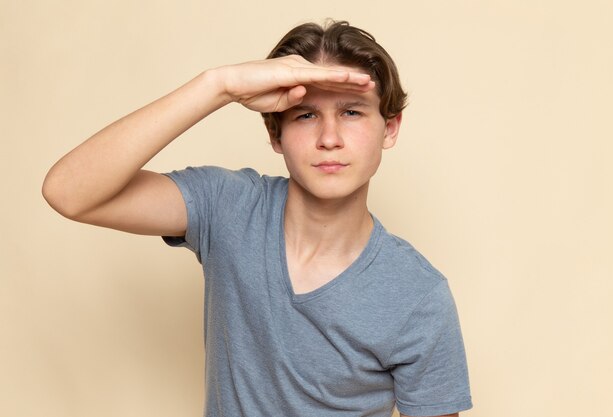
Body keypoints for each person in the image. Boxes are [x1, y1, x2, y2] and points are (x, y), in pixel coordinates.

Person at [43, 20, 472, 417]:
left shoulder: (419, 296)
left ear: (390, 129)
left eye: (352, 112)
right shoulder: (229, 208)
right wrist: (220, 85)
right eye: (306, 115)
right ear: (275, 135)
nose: (329, 139)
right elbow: (69, 193)